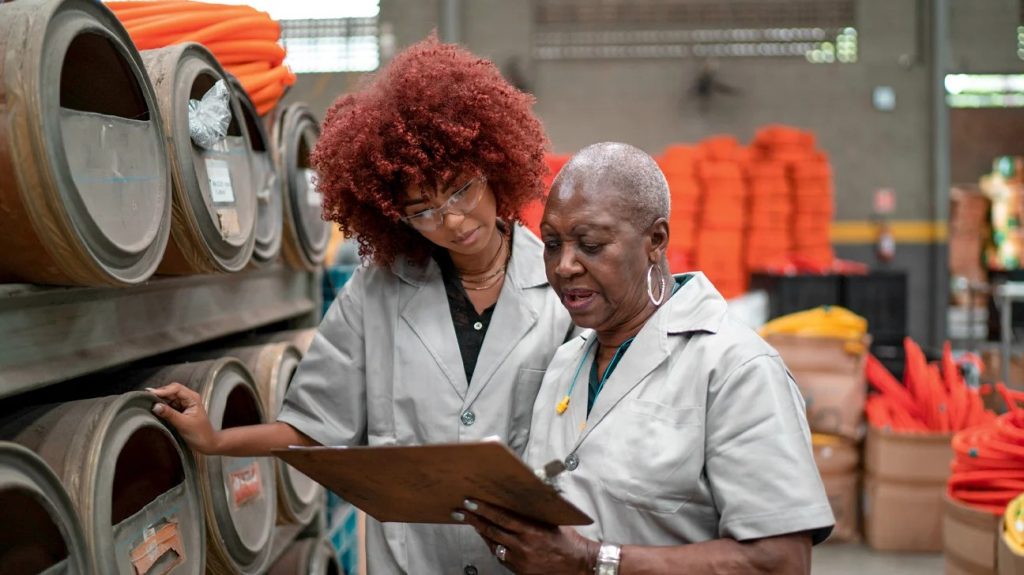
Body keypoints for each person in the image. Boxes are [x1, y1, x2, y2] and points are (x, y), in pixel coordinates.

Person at [149, 36, 573, 575]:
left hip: (526, 561)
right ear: (393, 215)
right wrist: (216, 441)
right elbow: (315, 428)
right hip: (412, 561)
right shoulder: (376, 293)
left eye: (462, 190)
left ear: (494, 167)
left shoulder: (561, 288)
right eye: (424, 210)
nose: (455, 220)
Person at [457, 142, 834, 574]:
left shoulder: (735, 369)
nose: (564, 266)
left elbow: (780, 562)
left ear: (655, 240)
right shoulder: (566, 365)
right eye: (551, 244)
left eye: (591, 245)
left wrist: (592, 561)